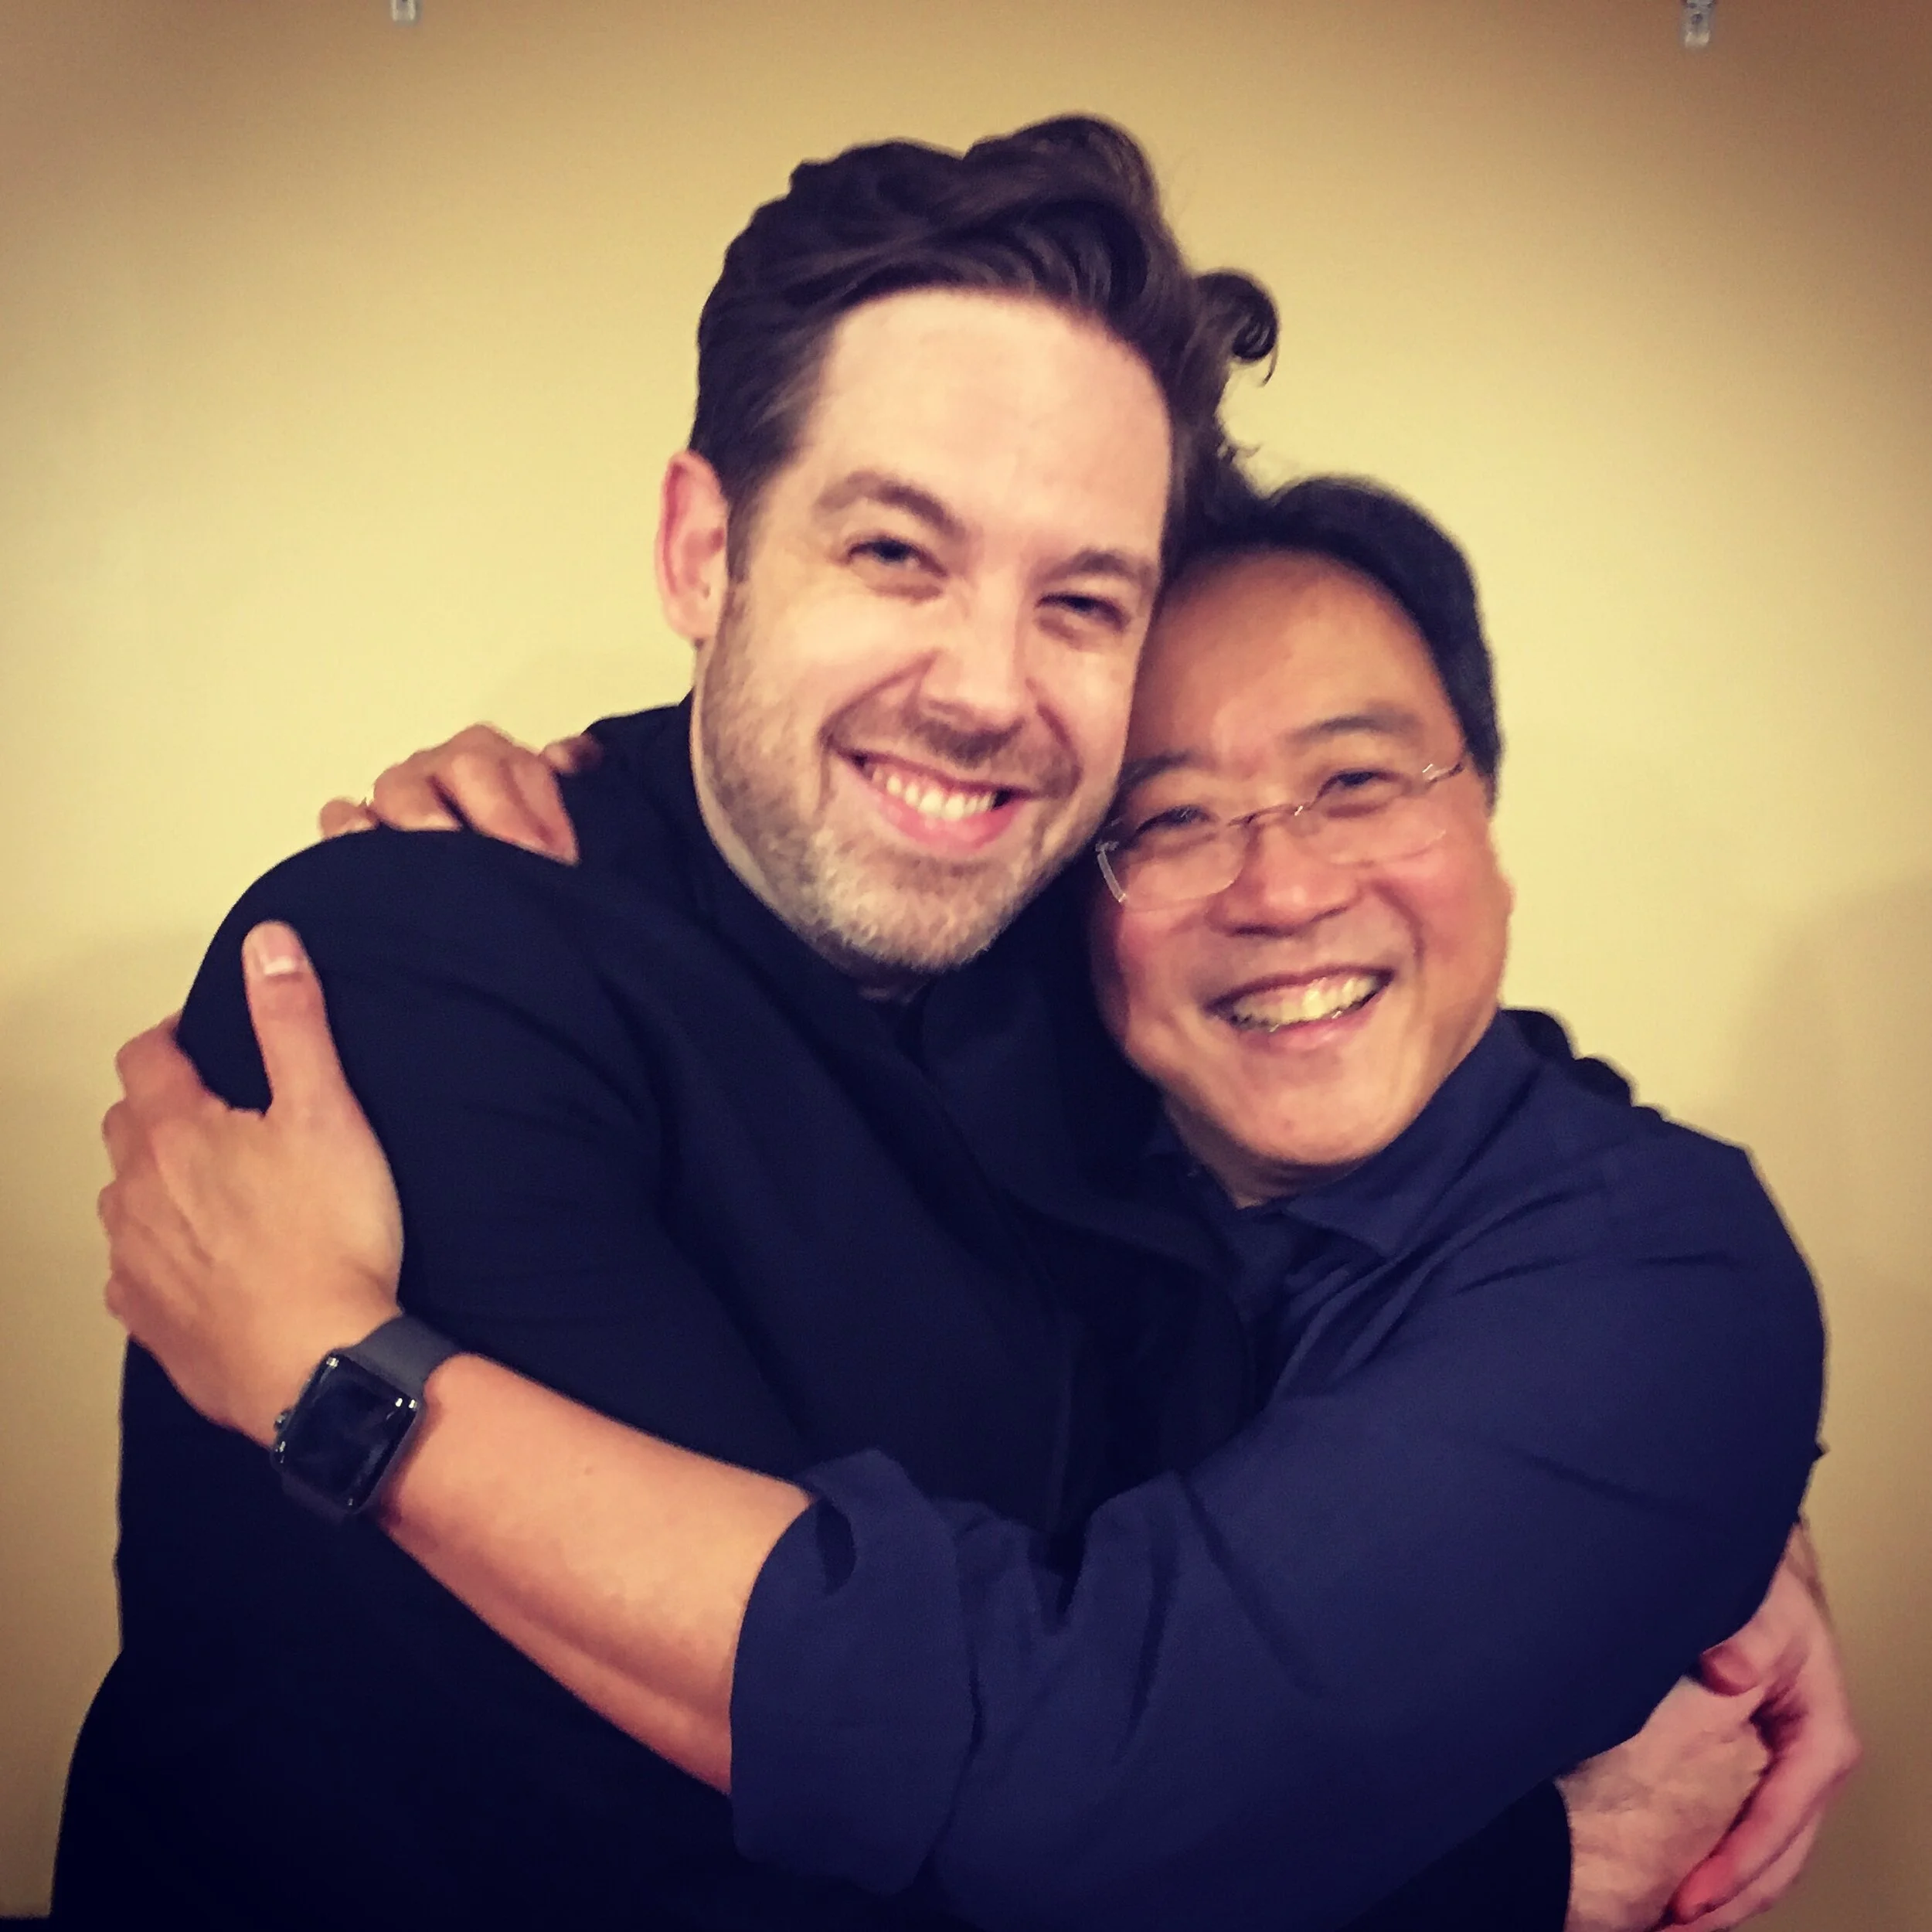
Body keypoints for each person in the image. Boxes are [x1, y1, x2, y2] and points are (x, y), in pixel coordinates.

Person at [85, 417, 1848, 1932]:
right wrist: (580, 797)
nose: (1284, 886)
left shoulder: (1647, 1274)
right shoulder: (1047, 1068)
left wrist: (323, 1365)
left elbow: (1082, 1776)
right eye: (1167, 818)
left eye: (1360, 780)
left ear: (1484, 821)